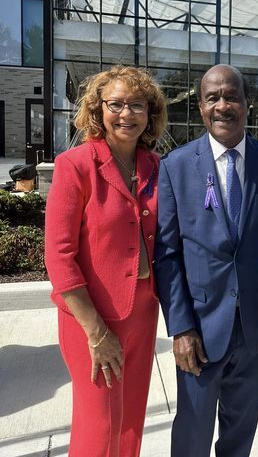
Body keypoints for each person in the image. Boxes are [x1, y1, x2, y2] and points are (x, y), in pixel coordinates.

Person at [154, 64, 258, 457]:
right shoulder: (175, 166)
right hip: (199, 330)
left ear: (248, 103)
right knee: (192, 433)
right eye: (213, 97)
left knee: (240, 432)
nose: (222, 105)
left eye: (231, 96)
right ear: (200, 105)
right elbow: (167, 254)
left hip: (253, 325)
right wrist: (180, 328)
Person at [45, 65, 167, 457]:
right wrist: (96, 332)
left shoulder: (156, 166)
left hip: (143, 312)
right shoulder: (75, 165)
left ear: (150, 114)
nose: (126, 114)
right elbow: (59, 257)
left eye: (137, 105)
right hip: (91, 318)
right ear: (98, 110)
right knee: (99, 427)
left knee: (130, 420)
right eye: (116, 104)